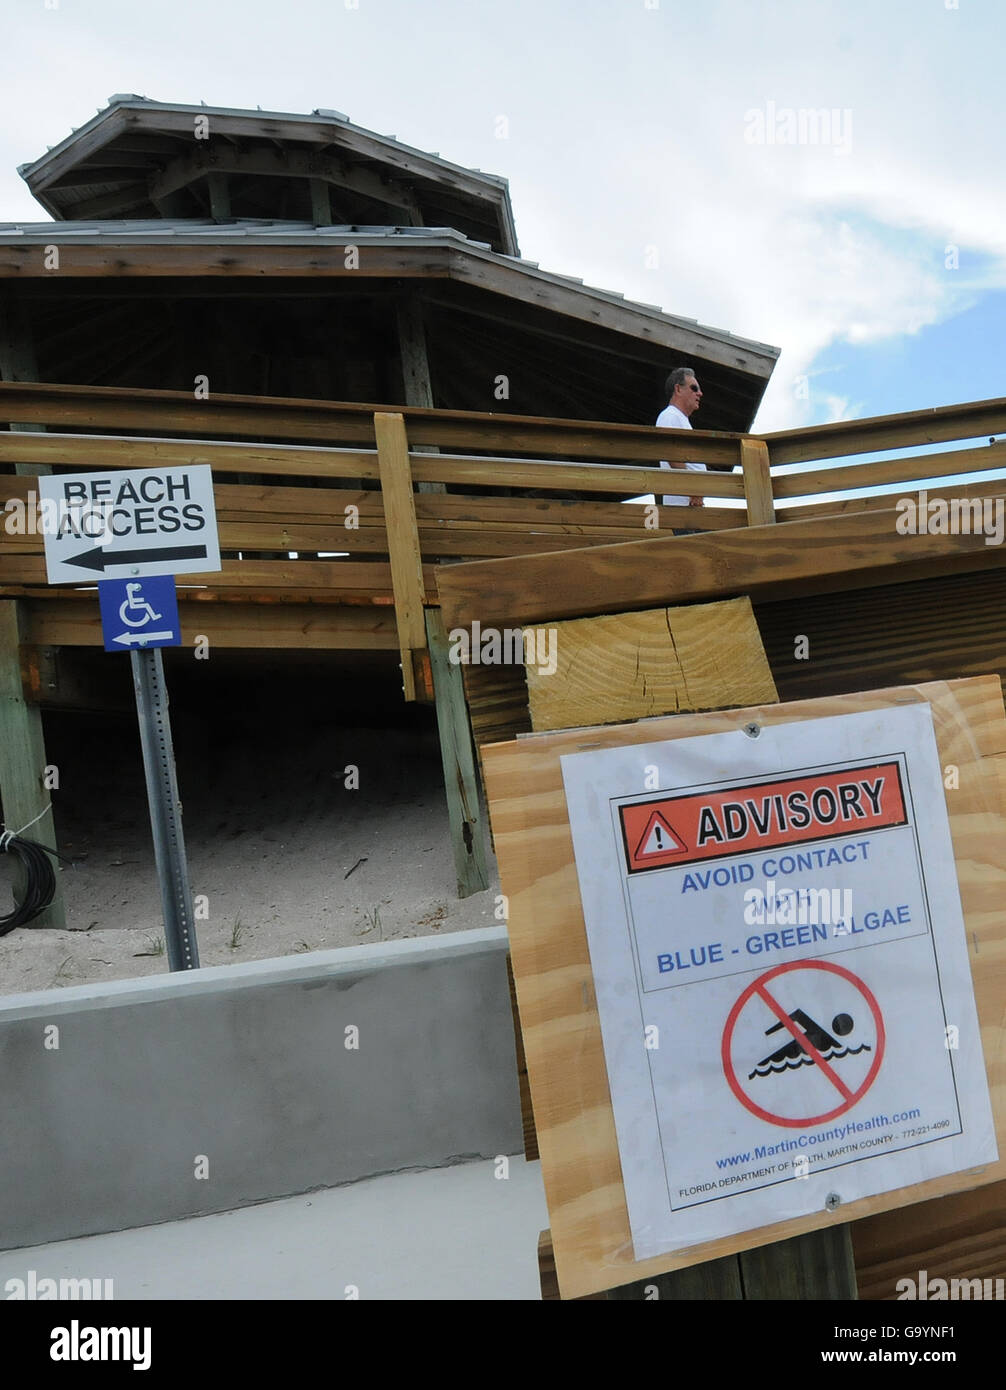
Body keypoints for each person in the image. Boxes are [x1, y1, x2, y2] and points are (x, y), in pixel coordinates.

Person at [655, 366, 705, 533]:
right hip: (684, 509)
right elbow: (672, 454)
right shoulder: (670, 415)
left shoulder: (679, 419)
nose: (700, 393)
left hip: (690, 507)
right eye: (694, 388)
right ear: (678, 388)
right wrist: (693, 491)